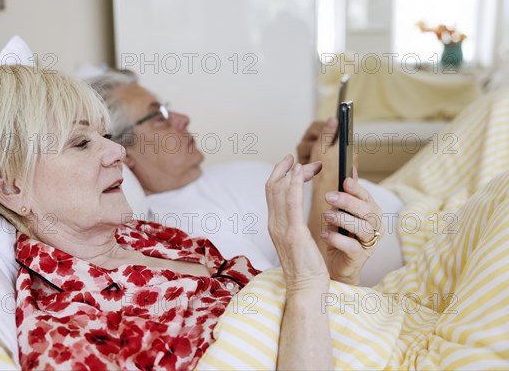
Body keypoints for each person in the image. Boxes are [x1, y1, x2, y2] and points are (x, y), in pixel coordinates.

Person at [0, 65, 385, 370]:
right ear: (12, 188)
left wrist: (340, 276)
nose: (117, 154)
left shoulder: (152, 236)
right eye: (81, 144)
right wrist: (306, 280)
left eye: (105, 136)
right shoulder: (71, 330)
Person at [87, 70, 403, 284]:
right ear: (121, 151)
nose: (183, 119)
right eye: (159, 117)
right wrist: (329, 178)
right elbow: (306, 292)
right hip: (409, 249)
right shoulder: (186, 225)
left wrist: (310, 168)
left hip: (409, 211)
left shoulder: (196, 184)